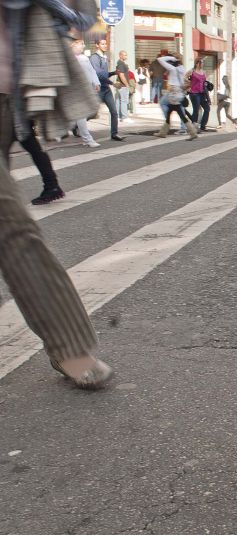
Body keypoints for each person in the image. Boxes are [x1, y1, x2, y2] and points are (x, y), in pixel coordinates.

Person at [0, 0, 113, 389]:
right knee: (12, 226)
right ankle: (70, 347)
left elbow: (83, 16)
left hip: (8, 102)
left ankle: (70, 346)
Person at [153, 54, 198, 140]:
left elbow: (160, 59)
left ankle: (192, 132)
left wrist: (172, 58)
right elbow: (182, 82)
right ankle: (163, 132)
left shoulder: (172, 69)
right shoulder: (182, 68)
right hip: (179, 93)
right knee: (173, 113)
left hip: (173, 93)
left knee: (176, 113)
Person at [89, 38, 124, 141]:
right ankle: (76, 125)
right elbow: (98, 75)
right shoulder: (94, 58)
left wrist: (113, 73)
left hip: (106, 89)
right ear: (97, 45)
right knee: (92, 113)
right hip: (98, 89)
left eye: (105, 44)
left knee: (114, 112)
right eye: (102, 44)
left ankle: (114, 134)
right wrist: (113, 83)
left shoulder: (104, 57)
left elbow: (104, 75)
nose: (105, 45)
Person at [71, 38, 100, 149]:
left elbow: (92, 71)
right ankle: (88, 139)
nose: (83, 46)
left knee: (84, 114)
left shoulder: (84, 58)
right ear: (74, 45)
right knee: (81, 115)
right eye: (81, 44)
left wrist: (96, 83)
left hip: (85, 90)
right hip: (76, 91)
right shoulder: (68, 58)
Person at [187, 58, 210, 131]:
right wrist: (188, 87)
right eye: (201, 62)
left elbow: (204, 82)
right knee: (196, 110)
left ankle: (203, 126)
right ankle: (193, 127)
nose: (203, 64)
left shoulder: (203, 72)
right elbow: (184, 78)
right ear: (197, 63)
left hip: (202, 93)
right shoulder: (192, 71)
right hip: (194, 93)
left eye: (203, 63)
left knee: (207, 108)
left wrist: (207, 85)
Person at [114, 50, 132, 123]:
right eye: (124, 55)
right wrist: (127, 84)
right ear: (120, 55)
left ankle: (118, 117)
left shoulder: (119, 63)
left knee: (118, 101)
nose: (126, 56)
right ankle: (124, 117)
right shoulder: (121, 64)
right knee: (124, 101)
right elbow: (121, 75)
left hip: (120, 86)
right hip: (123, 86)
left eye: (126, 55)